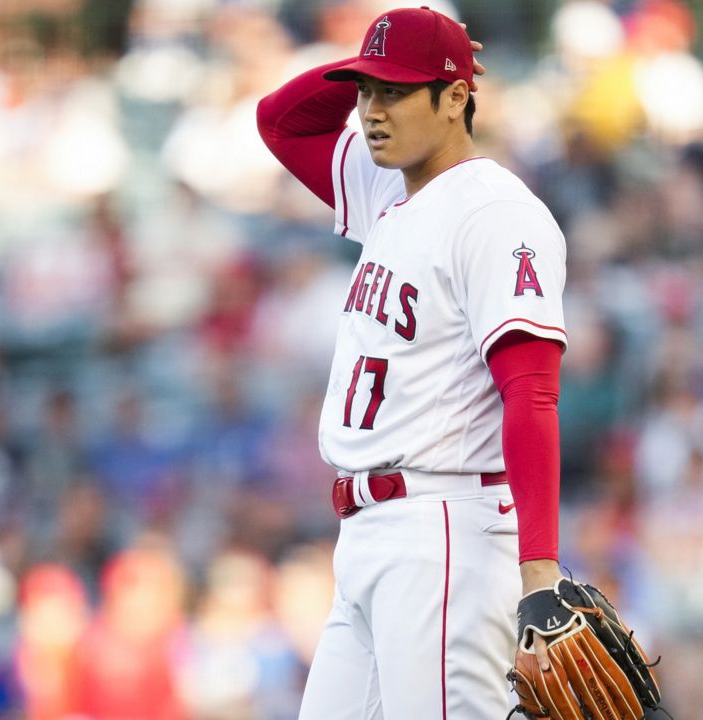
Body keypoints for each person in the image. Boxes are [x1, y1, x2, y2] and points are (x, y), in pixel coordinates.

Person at [256, 7, 568, 717]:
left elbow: (531, 392)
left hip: (444, 528)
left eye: (394, 92)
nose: (372, 110)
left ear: (456, 97)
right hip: (367, 539)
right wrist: (372, 61)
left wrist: (539, 572)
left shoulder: (495, 213)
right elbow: (282, 121)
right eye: (366, 91)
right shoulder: (387, 191)